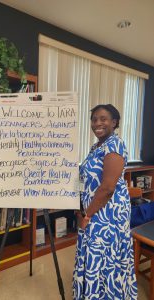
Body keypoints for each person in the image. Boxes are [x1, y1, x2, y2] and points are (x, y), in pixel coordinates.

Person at [73, 104, 137, 299]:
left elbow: (108, 187)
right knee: (93, 257)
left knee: (105, 260)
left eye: (103, 119)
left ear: (114, 122)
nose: (97, 123)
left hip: (108, 215)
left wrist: (87, 213)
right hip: (93, 211)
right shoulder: (96, 146)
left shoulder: (115, 144)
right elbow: (85, 178)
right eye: (94, 120)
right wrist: (78, 207)